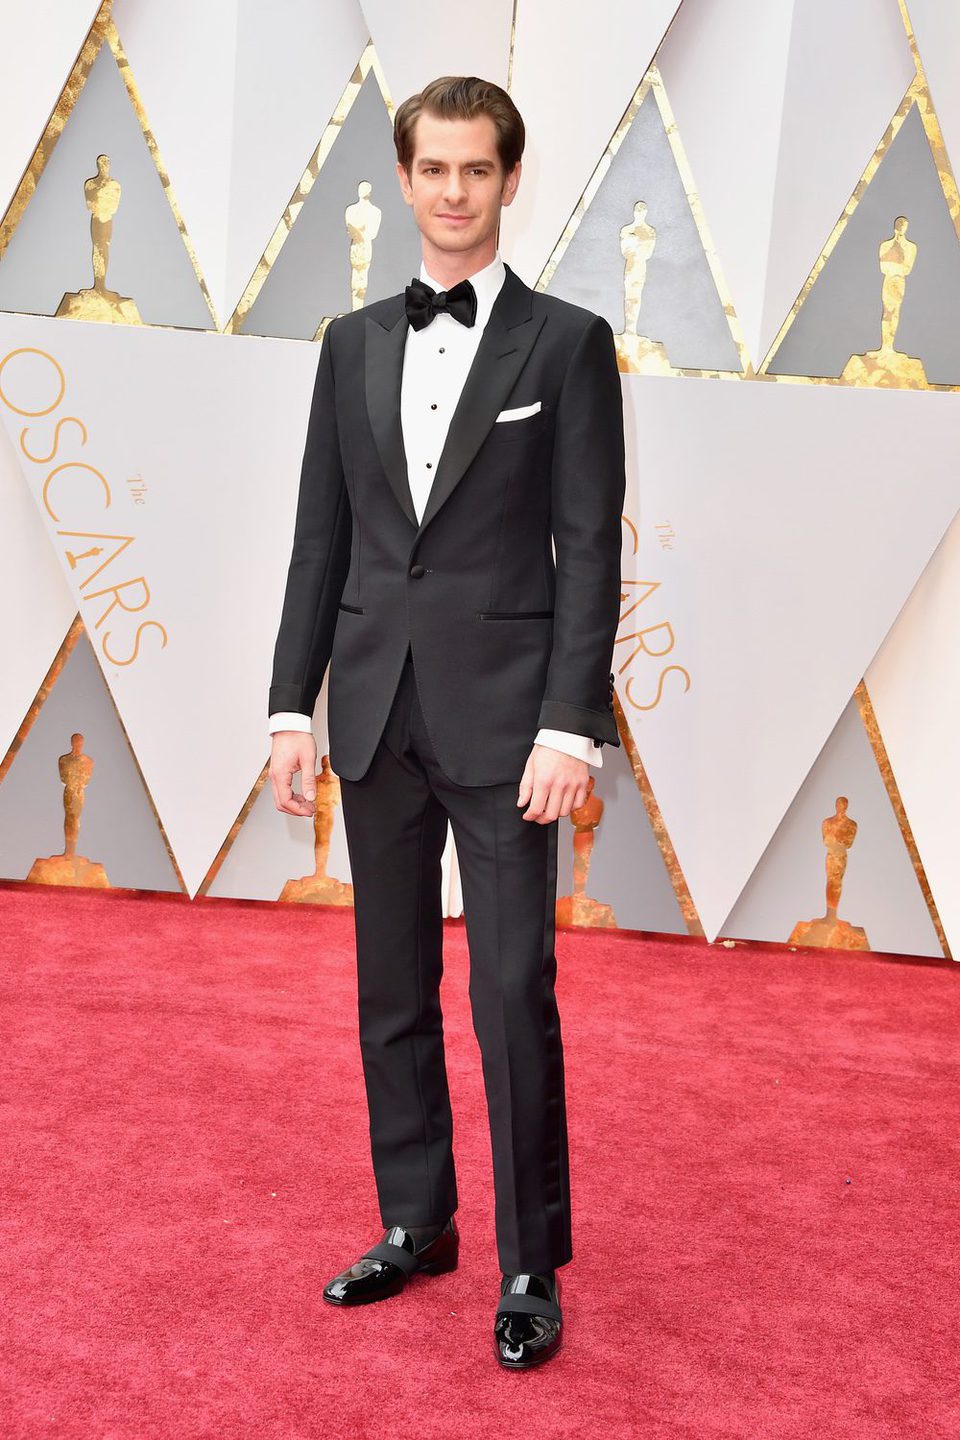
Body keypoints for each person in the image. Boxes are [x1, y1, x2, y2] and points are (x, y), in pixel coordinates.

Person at [268, 74, 625, 1370]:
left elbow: (587, 548)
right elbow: (323, 540)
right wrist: (286, 705)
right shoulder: (350, 342)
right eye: (436, 170)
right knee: (388, 992)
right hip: (371, 712)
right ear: (406, 179)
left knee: (511, 992)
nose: (457, 191)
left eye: (479, 170)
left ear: (508, 181)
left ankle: (531, 1259)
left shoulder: (570, 344)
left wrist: (570, 726)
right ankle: (417, 1223)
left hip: (510, 728)